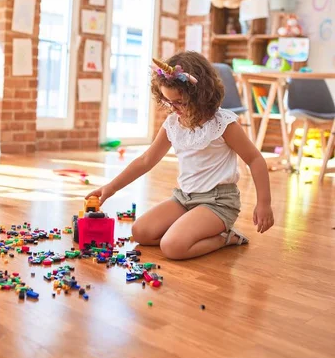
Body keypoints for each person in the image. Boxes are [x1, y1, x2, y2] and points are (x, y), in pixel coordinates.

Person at [87, 51, 274, 260]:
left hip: (218, 202)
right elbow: (146, 160)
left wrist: (264, 203)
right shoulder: (173, 124)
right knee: (141, 232)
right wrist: (110, 188)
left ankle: (225, 237)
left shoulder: (223, 124)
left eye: (180, 102)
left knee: (172, 247)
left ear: (201, 96)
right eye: (169, 102)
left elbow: (255, 159)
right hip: (184, 198)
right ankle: (189, 228)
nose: (174, 108)